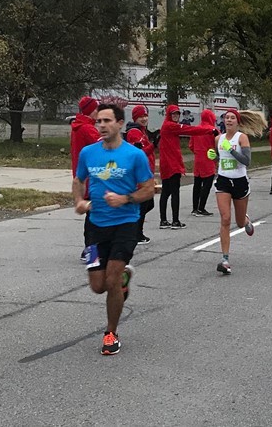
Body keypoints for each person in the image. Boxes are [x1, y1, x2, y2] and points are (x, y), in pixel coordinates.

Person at [73, 104, 154, 355]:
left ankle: (111, 333)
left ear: (120, 123)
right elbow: (78, 180)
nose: (102, 125)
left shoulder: (134, 155)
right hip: (95, 226)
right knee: (98, 286)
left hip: (125, 225)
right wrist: (79, 201)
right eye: (99, 121)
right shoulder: (88, 153)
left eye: (107, 121)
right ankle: (123, 280)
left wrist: (125, 199)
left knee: (112, 280)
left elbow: (148, 189)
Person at [207, 109, 264, 275]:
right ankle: (225, 259)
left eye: (232, 118)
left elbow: (247, 161)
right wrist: (214, 156)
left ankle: (245, 220)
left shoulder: (241, 138)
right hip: (223, 181)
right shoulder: (218, 138)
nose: (229, 120)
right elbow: (220, 158)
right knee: (225, 219)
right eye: (227, 118)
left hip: (240, 182)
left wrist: (231, 150)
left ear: (238, 122)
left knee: (238, 223)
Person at [157, 105, 214, 229]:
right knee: (174, 192)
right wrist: (209, 130)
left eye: (177, 113)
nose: (176, 116)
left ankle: (163, 220)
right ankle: (175, 221)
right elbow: (190, 130)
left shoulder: (168, 126)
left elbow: (191, 141)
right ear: (169, 115)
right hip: (172, 164)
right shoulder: (170, 126)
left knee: (166, 192)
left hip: (167, 162)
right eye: (173, 114)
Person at [71, 97, 102, 259]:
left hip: (83, 175)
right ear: (91, 110)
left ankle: (91, 247)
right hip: (91, 177)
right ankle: (90, 248)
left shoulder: (79, 127)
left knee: (92, 214)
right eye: (96, 109)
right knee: (94, 216)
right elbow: (103, 146)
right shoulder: (87, 129)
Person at [125, 105, 156, 244]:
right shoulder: (134, 132)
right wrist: (154, 145)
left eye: (145, 116)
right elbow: (139, 154)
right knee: (143, 205)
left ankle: (134, 230)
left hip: (146, 173)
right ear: (135, 118)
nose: (144, 119)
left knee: (148, 204)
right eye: (140, 117)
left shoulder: (142, 131)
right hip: (139, 176)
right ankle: (136, 233)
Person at [190, 109, 219, 215]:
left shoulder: (196, 129)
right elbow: (219, 144)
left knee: (197, 184)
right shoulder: (213, 130)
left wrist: (197, 152)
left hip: (198, 160)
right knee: (206, 185)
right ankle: (201, 207)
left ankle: (194, 208)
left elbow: (191, 145)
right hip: (209, 160)